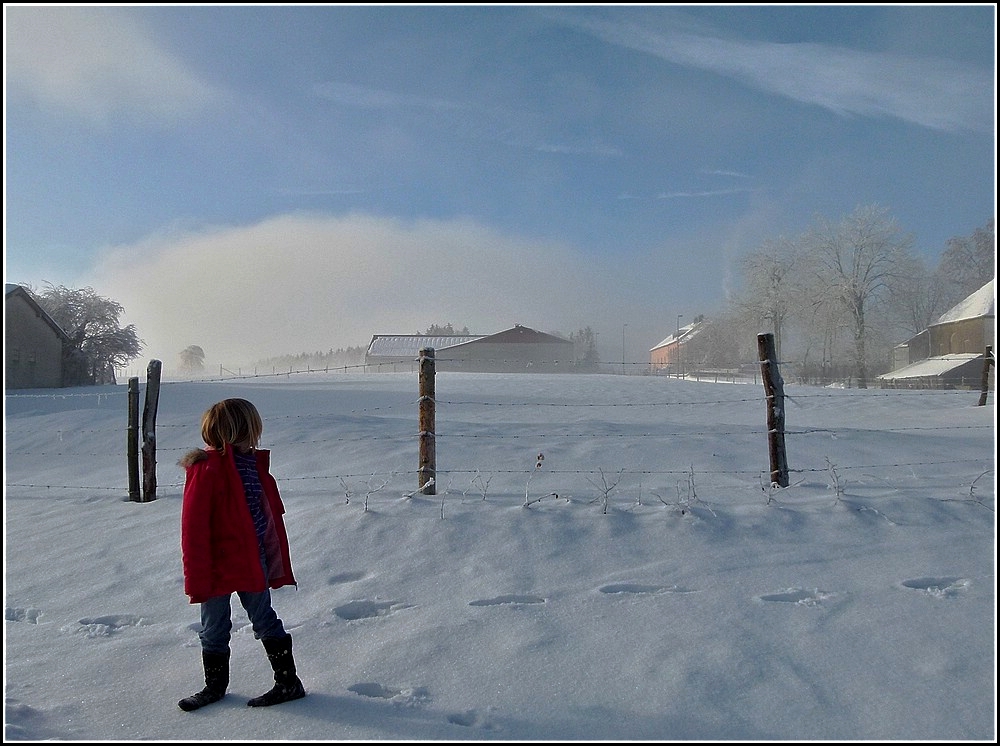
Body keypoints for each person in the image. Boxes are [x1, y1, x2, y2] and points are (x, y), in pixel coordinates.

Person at [177, 398, 305, 711]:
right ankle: (214, 687)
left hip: (251, 561)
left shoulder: (254, 466)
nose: (255, 437)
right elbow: (193, 529)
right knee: (214, 627)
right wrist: (196, 577)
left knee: (264, 619)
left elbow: (267, 516)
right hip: (216, 566)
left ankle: (289, 683)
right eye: (252, 430)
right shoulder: (205, 470)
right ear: (239, 431)